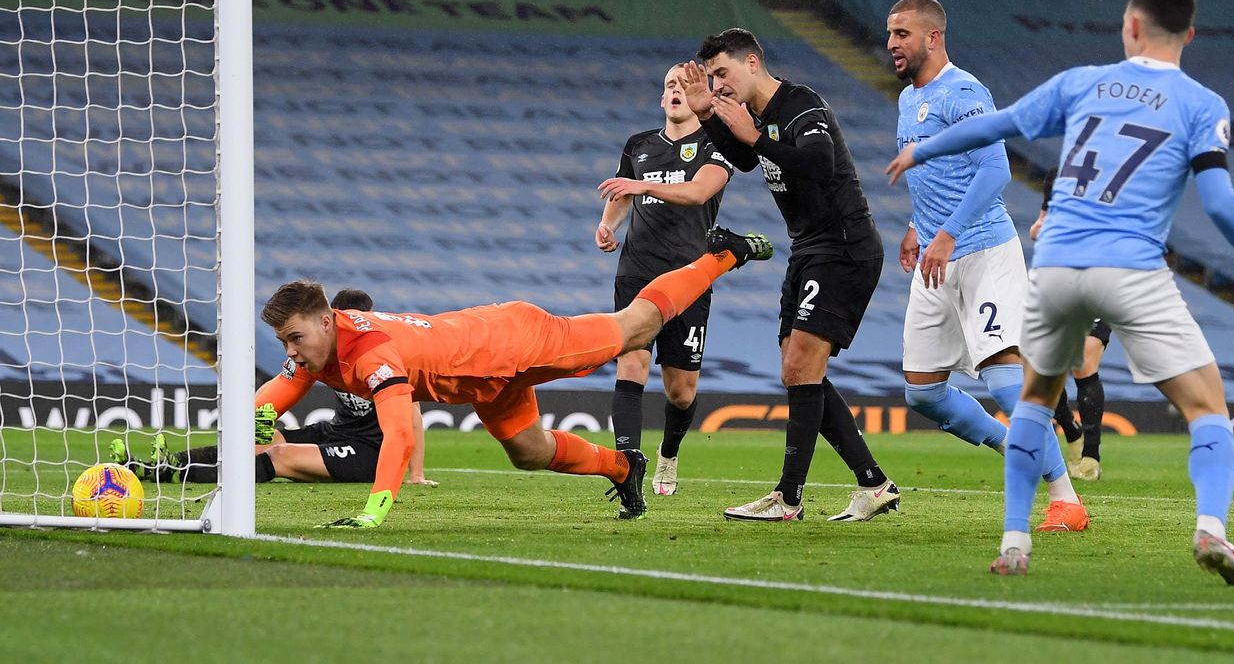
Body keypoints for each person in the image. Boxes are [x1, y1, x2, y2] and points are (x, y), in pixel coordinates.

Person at [888, 0, 1234, 584]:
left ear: (1129, 28)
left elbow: (1002, 129)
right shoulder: (1201, 103)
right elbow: (1222, 205)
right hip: (1130, 267)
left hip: (1057, 261)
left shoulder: (1081, 82)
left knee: (1034, 404)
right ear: (1190, 36)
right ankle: (1211, 530)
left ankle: (1016, 541)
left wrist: (915, 155)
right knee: (1207, 408)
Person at [256, 227, 773, 528]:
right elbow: (277, 394)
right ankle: (622, 467)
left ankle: (723, 253)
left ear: (325, 321)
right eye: (284, 341)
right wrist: (255, 425)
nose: (290, 352)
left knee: (635, 328)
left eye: (294, 339)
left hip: (515, 341)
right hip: (484, 373)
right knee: (527, 452)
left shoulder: (371, 354)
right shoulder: (315, 348)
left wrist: (375, 510)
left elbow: (399, 433)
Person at [679, 28, 899, 522]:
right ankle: (874, 483)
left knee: (800, 365)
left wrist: (752, 134)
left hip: (843, 245)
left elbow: (819, 163)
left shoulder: (800, 104)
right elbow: (741, 157)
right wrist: (707, 114)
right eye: (710, 77)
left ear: (752, 63)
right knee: (798, 370)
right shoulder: (754, 114)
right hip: (809, 247)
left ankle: (788, 498)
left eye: (721, 74)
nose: (717, 84)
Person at [885, 0, 1086, 532]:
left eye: (902, 33)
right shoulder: (909, 100)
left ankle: (1066, 500)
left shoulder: (965, 91)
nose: (891, 44)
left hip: (984, 252)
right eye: (890, 34)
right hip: (936, 257)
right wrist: (915, 228)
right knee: (922, 391)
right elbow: (936, 175)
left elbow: (995, 170)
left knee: (1004, 383)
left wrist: (947, 234)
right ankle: (1011, 444)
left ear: (932, 37)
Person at [110, 289, 437, 488]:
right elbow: (281, 386)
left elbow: (411, 414)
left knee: (280, 456)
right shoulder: (321, 350)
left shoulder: (380, 352)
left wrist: (415, 474)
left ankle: (172, 475)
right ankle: (162, 466)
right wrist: (255, 425)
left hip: (369, 452)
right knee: (266, 439)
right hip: (336, 433)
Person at [595, 64, 735, 497]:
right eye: (668, 86)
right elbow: (622, 194)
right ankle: (626, 470)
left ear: (699, 95)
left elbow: (697, 192)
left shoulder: (717, 143)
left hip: (689, 276)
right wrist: (608, 224)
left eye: (683, 86)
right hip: (637, 270)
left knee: (680, 390)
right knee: (631, 362)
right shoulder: (638, 145)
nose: (675, 92)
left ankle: (668, 454)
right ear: (661, 99)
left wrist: (640, 187)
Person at [1032, 172, 1111, 481]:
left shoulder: (1108, 185)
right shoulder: (1055, 180)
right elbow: (1037, 230)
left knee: (1084, 362)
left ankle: (1091, 455)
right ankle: (1071, 430)